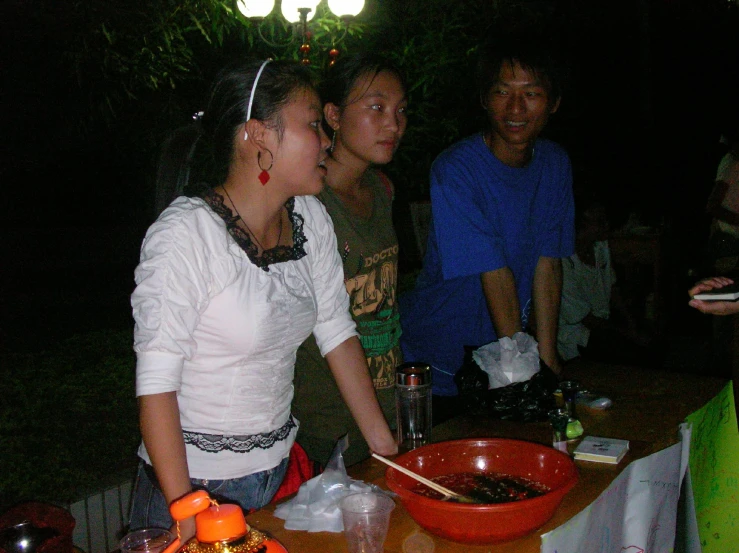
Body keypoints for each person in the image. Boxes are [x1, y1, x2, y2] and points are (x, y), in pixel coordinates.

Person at [128, 59, 397, 540]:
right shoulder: (186, 234)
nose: (326, 141)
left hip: (278, 478)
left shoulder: (310, 219)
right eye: (313, 125)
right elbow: (156, 385)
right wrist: (188, 521)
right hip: (192, 489)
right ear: (258, 135)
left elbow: (336, 330)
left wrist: (388, 454)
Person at [399, 32, 574, 423]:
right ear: (484, 98)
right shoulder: (455, 169)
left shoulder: (554, 164)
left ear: (554, 103)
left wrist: (547, 363)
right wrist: (521, 375)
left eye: (531, 93)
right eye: (501, 91)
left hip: (509, 352)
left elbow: (548, 263)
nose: (515, 107)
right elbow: (494, 273)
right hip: (442, 357)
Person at [291, 53, 408, 468]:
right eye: (376, 108)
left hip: (385, 403)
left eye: (400, 111)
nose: (393, 124)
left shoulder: (381, 190)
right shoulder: (306, 205)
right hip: (325, 424)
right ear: (333, 116)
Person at [557, 198, 654, 365]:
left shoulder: (601, 247)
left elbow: (612, 287)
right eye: (600, 221)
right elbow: (585, 319)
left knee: (652, 342)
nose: (606, 225)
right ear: (580, 227)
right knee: (634, 355)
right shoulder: (563, 262)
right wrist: (628, 334)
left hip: (603, 322)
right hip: (578, 334)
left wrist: (631, 323)